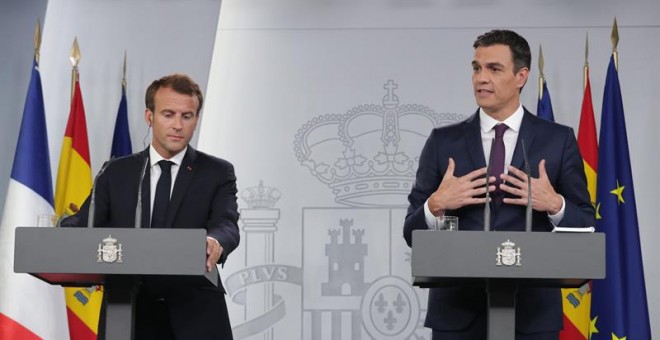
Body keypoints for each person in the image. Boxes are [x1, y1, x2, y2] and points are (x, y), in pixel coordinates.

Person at [403, 30, 594, 339]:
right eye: (476, 68)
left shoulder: (557, 141)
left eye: (494, 69)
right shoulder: (443, 142)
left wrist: (555, 206)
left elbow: (587, 224)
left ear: (521, 76)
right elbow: (411, 232)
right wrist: (435, 206)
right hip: (458, 316)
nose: (481, 78)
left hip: (532, 317)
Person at [62, 73, 239, 339]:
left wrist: (215, 241)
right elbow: (87, 223)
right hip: (128, 310)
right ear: (149, 117)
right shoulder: (115, 172)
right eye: (168, 114)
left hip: (196, 312)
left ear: (196, 120)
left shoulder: (217, 172)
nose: (178, 125)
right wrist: (57, 232)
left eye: (187, 116)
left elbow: (226, 223)